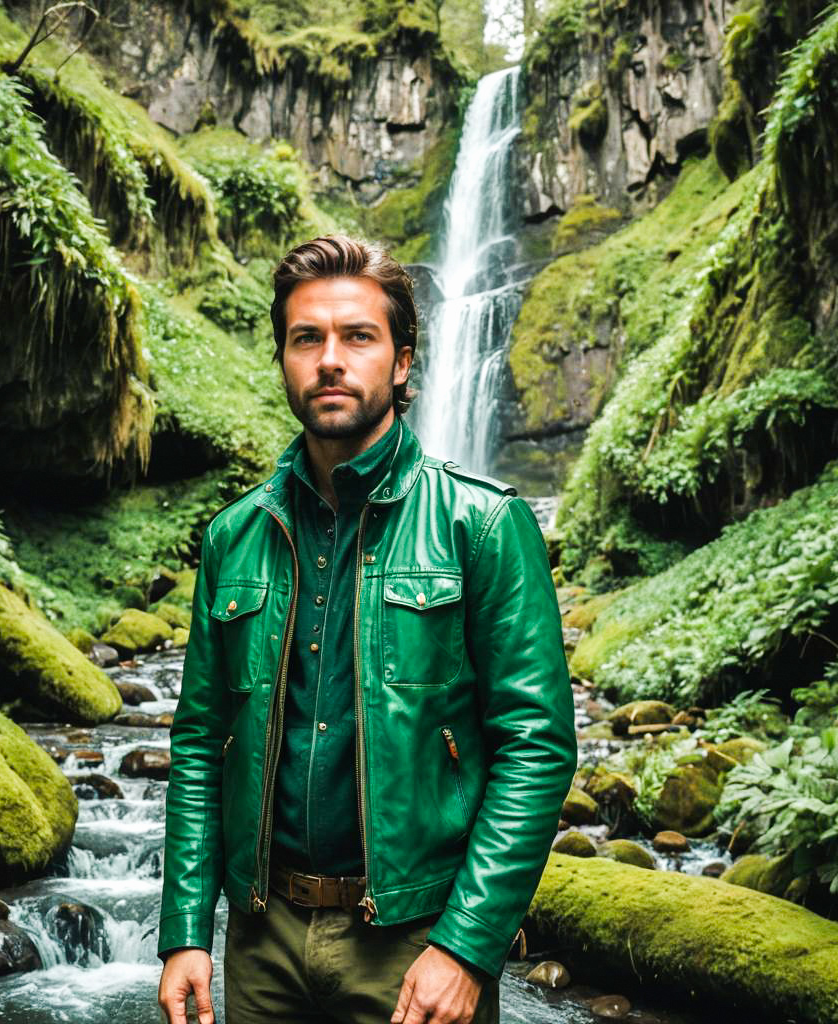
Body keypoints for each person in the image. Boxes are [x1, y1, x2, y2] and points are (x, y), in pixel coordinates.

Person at [157, 235, 577, 1024]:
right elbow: (199, 738)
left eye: (358, 336)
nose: (330, 359)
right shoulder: (233, 536)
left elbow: (538, 745)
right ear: (283, 358)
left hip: (412, 943)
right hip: (260, 941)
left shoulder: (481, 526)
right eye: (306, 338)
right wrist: (185, 930)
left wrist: (466, 946)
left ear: (404, 361)